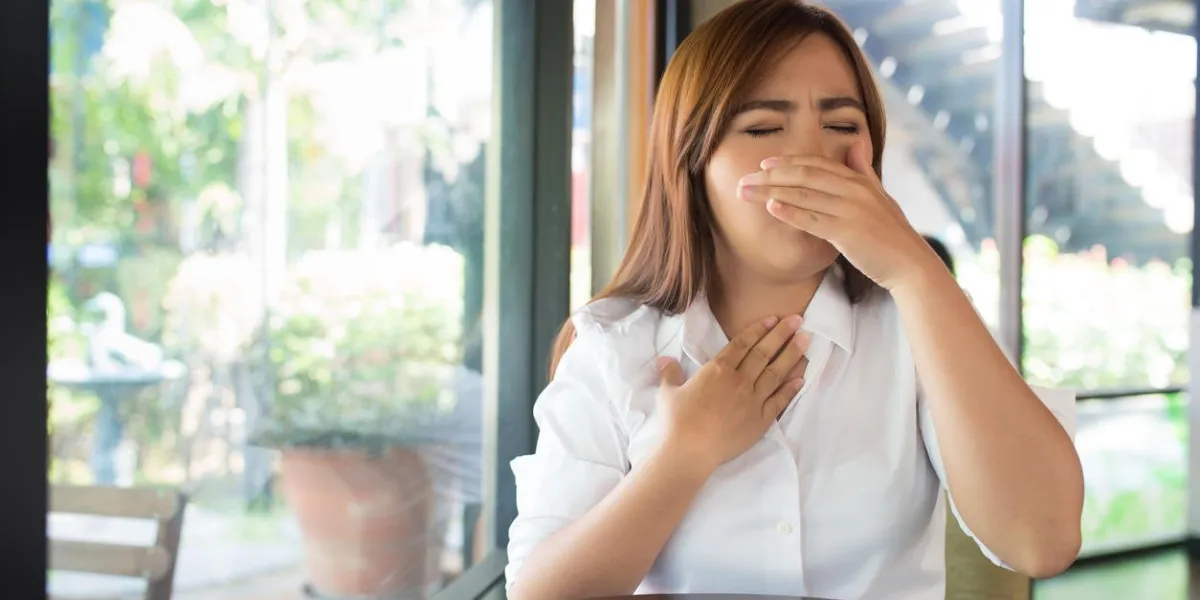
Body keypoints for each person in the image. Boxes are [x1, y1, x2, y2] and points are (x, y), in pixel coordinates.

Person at [505, 1, 1083, 599]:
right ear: (692, 162)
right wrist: (681, 457)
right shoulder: (612, 347)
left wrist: (916, 268)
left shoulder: (921, 321)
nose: (811, 160)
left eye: (842, 127)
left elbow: (1042, 541)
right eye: (761, 128)